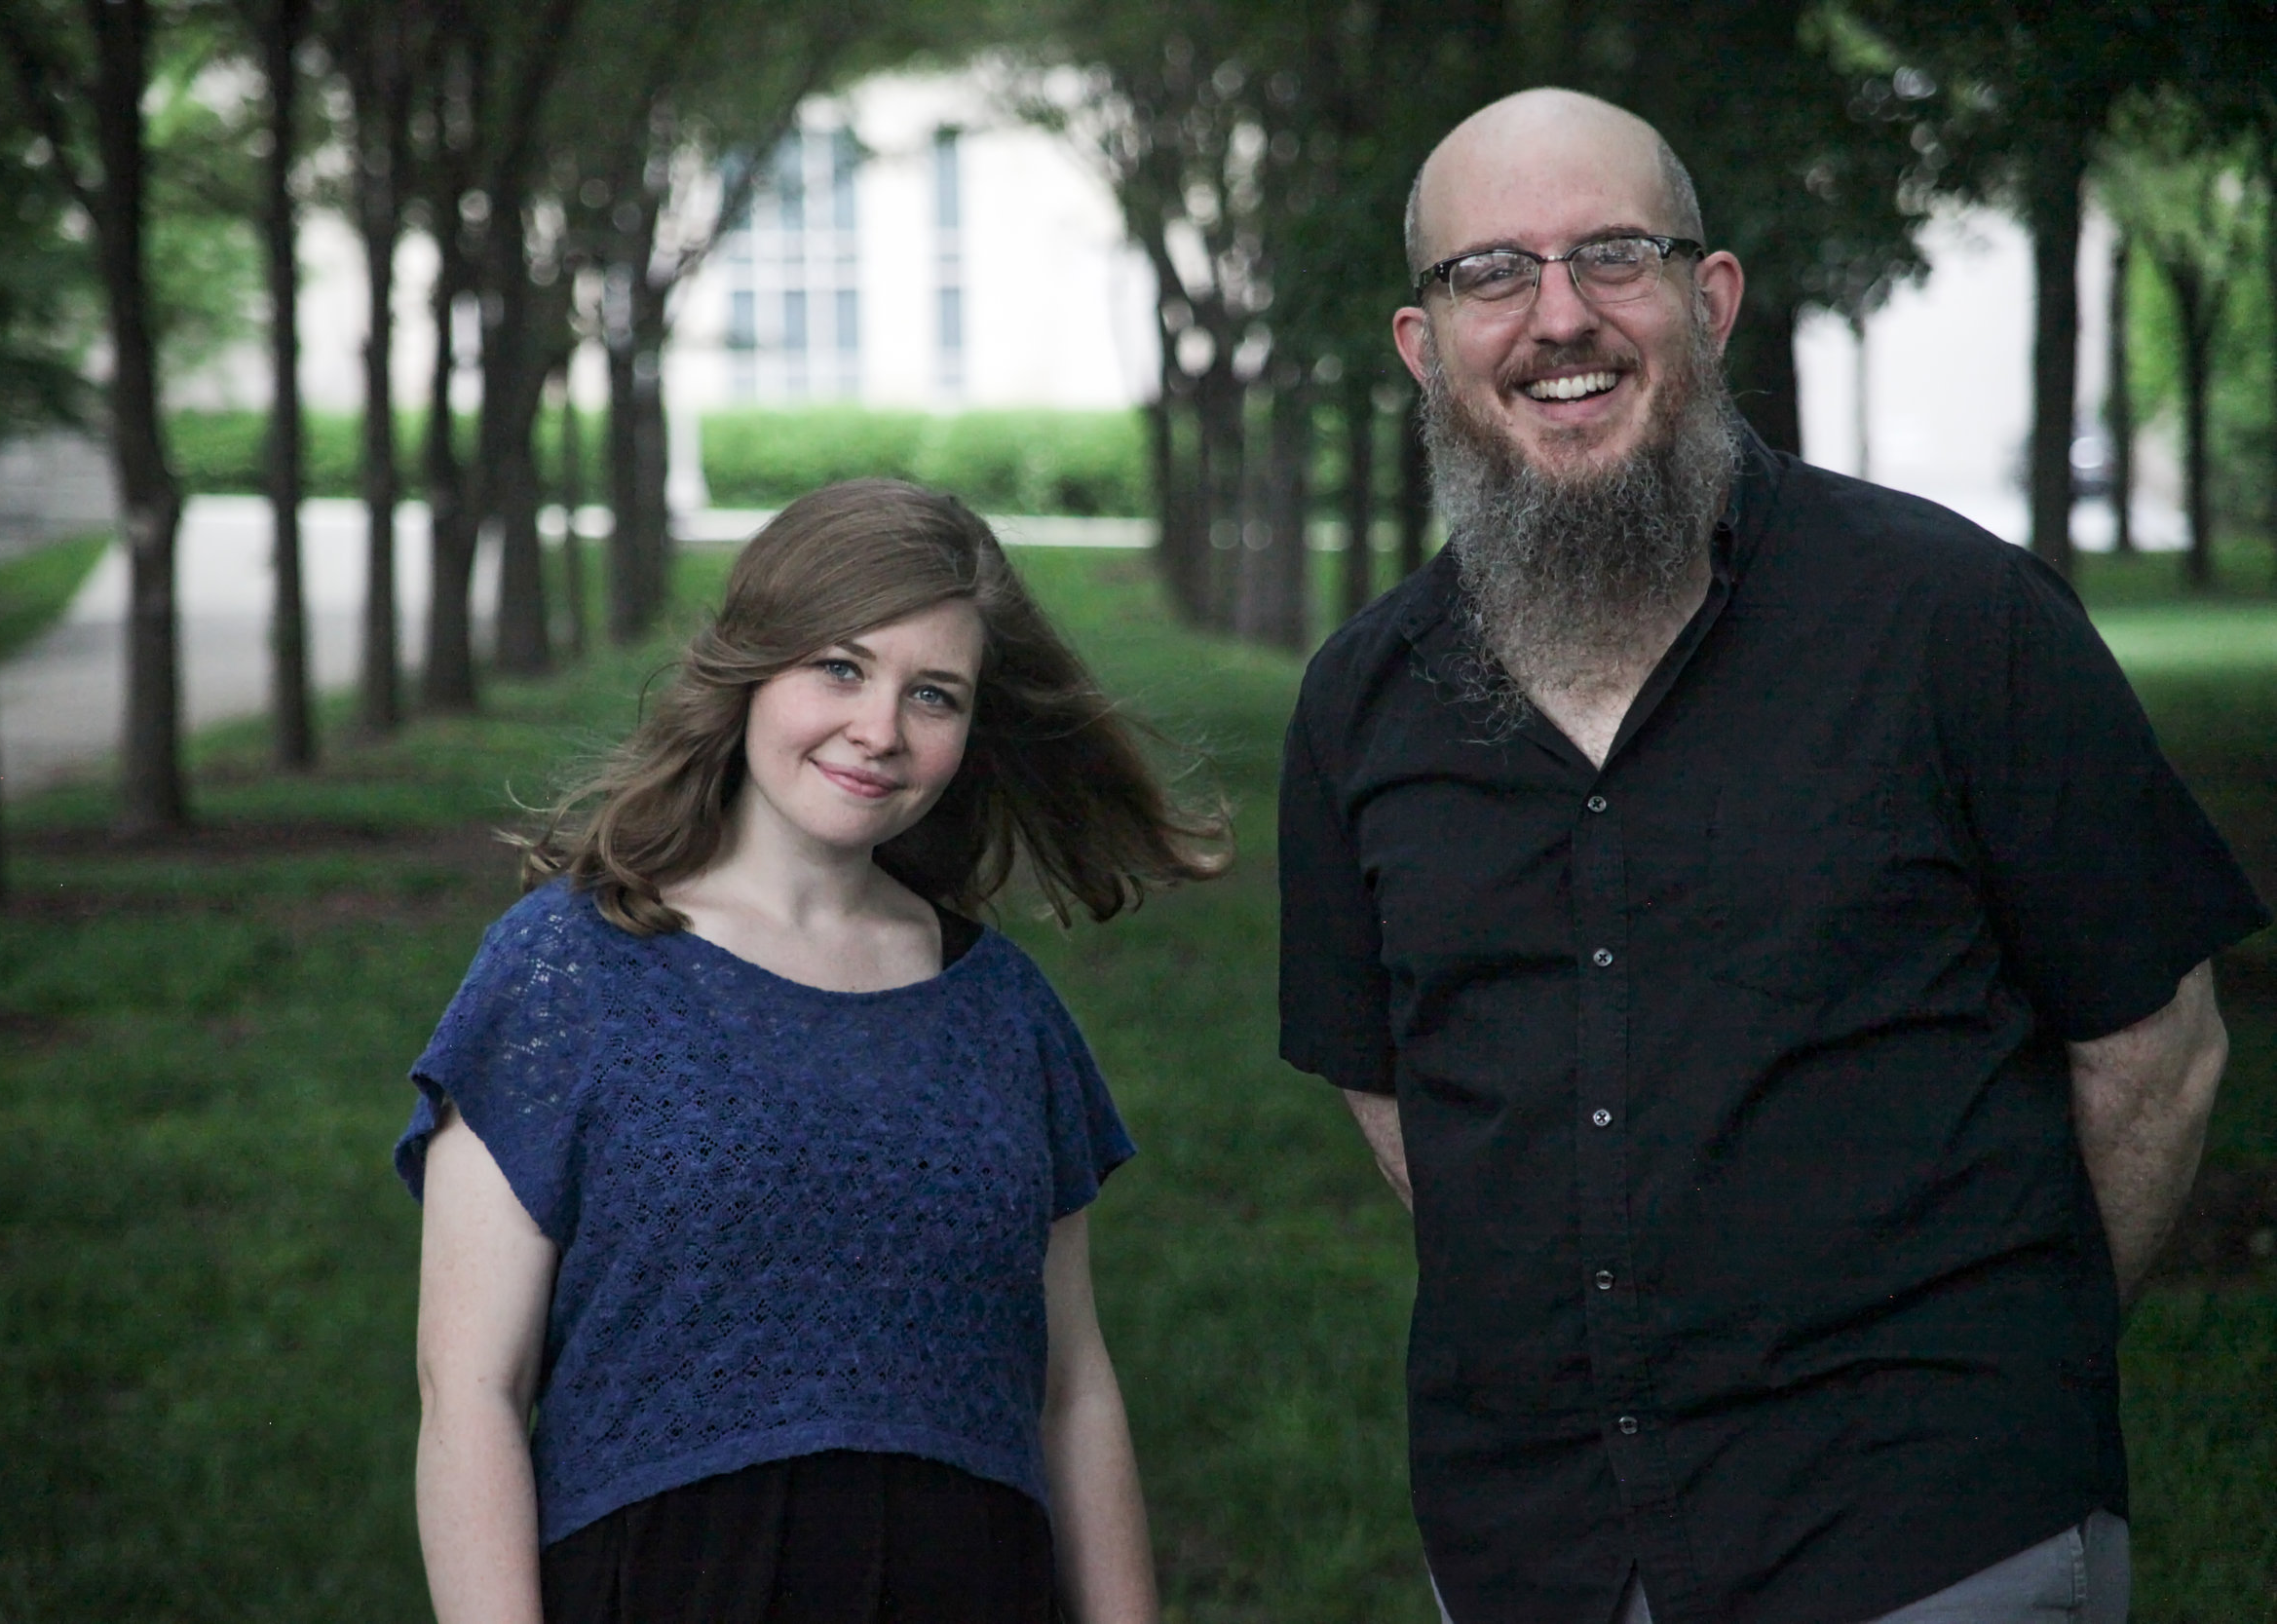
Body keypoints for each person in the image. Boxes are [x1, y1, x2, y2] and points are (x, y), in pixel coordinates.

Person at [1276, 88, 2269, 1624]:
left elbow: (2158, 1054)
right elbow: (1402, 1094)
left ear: (1711, 297)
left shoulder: (1960, 623)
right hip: (1531, 1551)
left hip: (1930, 1539)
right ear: (1424, 345)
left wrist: (2003, 1370)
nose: (1558, 318)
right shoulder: (1361, 701)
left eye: (1613, 254)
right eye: (1492, 273)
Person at [398, 479, 1222, 1624]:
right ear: (749, 667)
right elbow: (470, 1389)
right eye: (839, 667)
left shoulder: (1002, 1014)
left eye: (931, 693)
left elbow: (1072, 1388)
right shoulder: (563, 973)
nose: (878, 729)